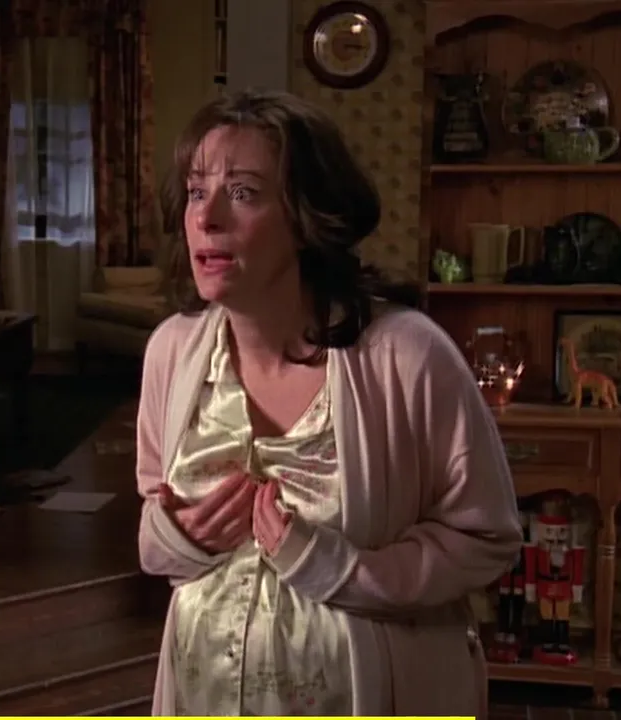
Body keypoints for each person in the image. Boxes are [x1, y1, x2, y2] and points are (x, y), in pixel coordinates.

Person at [134, 89, 522, 717]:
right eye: (196, 191)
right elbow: (155, 521)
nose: (207, 217)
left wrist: (340, 571)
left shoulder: (406, 355)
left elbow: (486, 537)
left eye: (243, 192)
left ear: (307, 218)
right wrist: (179, 536)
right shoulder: (171, 352)